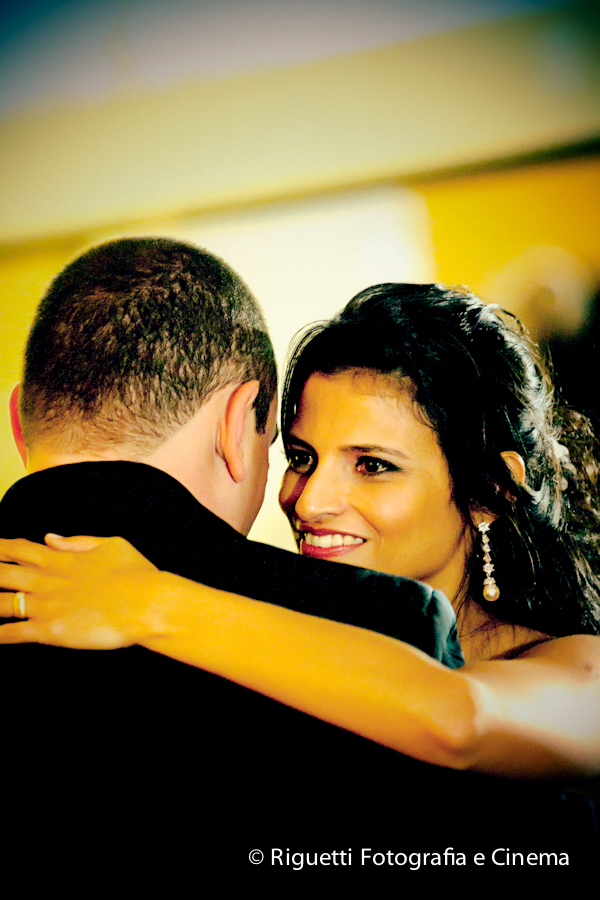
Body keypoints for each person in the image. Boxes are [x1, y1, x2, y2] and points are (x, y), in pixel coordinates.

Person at [2, 282, 599, 861]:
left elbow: (458, 720)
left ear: (490, 489)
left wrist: (149, 602)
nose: (308, 502)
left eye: (371, 465)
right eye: (301, 458)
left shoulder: (583, 667)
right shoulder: (267, 629)